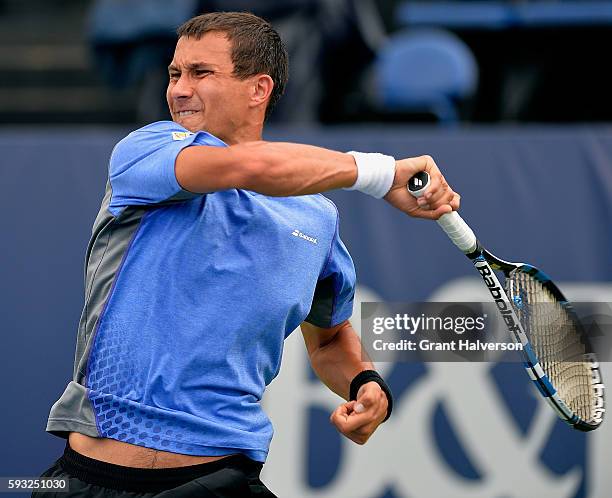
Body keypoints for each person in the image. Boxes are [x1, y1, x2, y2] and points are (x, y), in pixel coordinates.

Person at [35, 11, 459, 498]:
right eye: (175, 74)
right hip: (90, 481)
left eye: (201, 73)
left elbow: (329, 337)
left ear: (258, 89)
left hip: (218, 480)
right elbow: (250, 166)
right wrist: (380, 174)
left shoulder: (315, 219)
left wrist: (365, 383)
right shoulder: (146, 150)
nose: (178, 89)